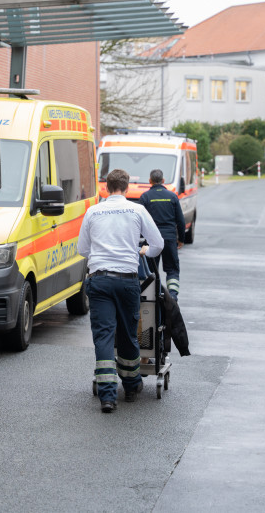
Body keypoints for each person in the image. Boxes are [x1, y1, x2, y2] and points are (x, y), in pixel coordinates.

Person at [78, 169, 164, 413]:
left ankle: (107, 397)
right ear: (126, 188)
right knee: (129, 334)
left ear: (106, 187)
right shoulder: (137, 210)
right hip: (127, 281)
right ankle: (131, 386)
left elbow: (82, 249)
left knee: (104, 336)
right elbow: (158, 244)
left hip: (100, 281)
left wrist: (101, 252)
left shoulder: (93, 211)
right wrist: (142, 251)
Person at [138, 169, 185, 301]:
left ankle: (154, 297)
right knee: (172, 270)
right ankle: (173, 296)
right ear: (163, 181)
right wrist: (181, 239)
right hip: (170, 239)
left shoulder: (145, 197)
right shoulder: (172, 196)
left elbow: (138, 220)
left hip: (152, 240)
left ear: (150, 181)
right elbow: (180, 221)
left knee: (151, 271)